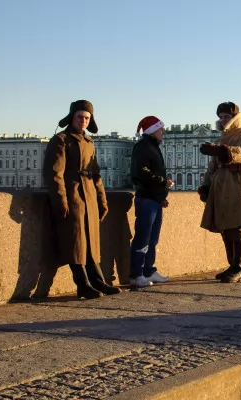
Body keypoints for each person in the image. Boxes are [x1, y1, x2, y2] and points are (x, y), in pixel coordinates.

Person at [44, 100, 121, 299]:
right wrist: (61, 201)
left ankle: (97, 280)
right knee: (76, 241)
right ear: (72, 117)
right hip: (73, 196)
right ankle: (82, 284)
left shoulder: (89, 142)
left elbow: (96, 175)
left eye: (87, 118)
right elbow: (55, 174)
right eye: (80, 117)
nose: (84, 121)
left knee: (91, 241)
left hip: (89, 197)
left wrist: (102, 200)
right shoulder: (60, 140)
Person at [198, 102, 241, 283]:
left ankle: (238, 268)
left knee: (237, 227)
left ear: (235, 117)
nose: (223, 119)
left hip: (238, 185)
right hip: (220, 187)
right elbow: (212, 166)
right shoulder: (222, 138)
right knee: (225, 227)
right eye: (221, 117)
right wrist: (205, 185)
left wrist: (222, 151)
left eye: (226, 116)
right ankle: (231, 265)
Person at [129, 116, 174, 288]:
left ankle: (149, 271)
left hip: (154, 199)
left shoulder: (152, 147)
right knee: (143, 238)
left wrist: (162, 196)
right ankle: (136, 274)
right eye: (161, 129)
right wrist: (162, 181)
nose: (163, 132)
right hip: (146, 199)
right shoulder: (143, 147)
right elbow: (141, 171)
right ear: (152, 130)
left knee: (152, 239)